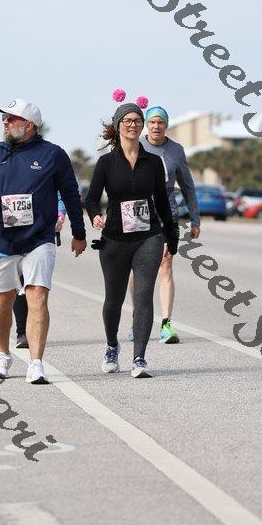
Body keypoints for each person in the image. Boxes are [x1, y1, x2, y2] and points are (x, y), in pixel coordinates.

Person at [0, 98, 86, 384]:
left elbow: (71, 194)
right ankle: (3, 353)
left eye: (11, 118)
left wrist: (79, 233)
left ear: (29, 125)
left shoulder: (53, 155)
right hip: (3, 239)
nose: (5, 122)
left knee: (38, 295)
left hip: (39, 238)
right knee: (3, 301)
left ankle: (36, 363)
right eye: (4, 118)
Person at [85, 98, 179, 378]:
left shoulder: (154, 162)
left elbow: (162, 201)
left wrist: (171, 235)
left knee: (143, 297)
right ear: (118, 126)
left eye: (138, 121)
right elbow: (91, 199)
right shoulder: (106, 162)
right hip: (114, 239)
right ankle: (112, 346)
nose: (133, 125)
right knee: (113, 300)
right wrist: (95, 216)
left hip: (148, 237)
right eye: (128, 121)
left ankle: (139, 358)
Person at [127, 106, 201, 344]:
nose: (156, 126)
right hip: (138, 214)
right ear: (146, 125)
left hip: (167, 214)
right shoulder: (134, 144)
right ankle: (138, 319)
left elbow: (187, 185)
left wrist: (195, 218)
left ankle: (166, 325)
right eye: (152, 122)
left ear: (166, 125)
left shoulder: (176, 150)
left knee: (166, 267)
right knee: (136, 270)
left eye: (160, 122)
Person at [0, 193, 67, 350]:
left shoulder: (45, 175)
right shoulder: (5, 176)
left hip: (38, 235)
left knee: (35, 289)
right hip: (11, 236)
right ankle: (22, 333)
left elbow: (59, 194)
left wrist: (60, 216)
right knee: (18, 286)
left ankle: (31, 338)